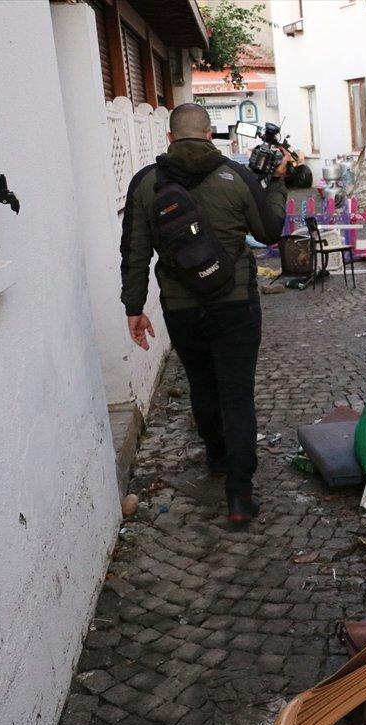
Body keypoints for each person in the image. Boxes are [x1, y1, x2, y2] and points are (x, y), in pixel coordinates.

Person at [120, 103, 289, 525]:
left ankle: (216, 456)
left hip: (181, 308)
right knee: (237, 393)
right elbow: (269, 231)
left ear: (170, 137)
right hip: (235, 304)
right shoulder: (237, 176)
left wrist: (134, 307)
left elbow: (134, 251)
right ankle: (239, 495)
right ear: (210, 133)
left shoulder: (145, 183)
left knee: (202, 385)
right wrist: (279, 185)